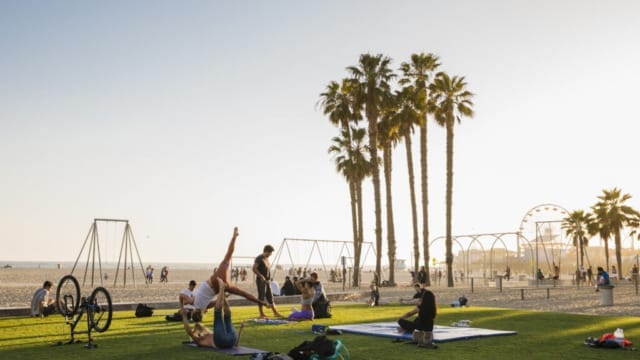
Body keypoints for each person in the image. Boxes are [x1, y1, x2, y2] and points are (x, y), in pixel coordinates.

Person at [181, 227, 266, 322]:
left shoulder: (205, 307)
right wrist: (182, 306)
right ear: (193, 312)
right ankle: (234, 237)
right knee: (228, 255)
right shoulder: (194, 303)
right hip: (213, 281)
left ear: (201, 314)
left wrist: (223, 296)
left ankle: (261, 302)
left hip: (220, 287)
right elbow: (182, 297)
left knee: (243, 293)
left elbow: (215, 302)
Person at [181, 277, 244, 349]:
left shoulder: (204, 337)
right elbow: (189, 331)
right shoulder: (198, 340)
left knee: (227, 315)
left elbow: (236, 344)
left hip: (231, 340)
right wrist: (184, 317)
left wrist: (240, 331)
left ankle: (222, 291)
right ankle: (221, 289)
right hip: (225, 341)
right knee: (220, 313)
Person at [253, 244, 283, 318]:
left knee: (270, 297)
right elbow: (254, 268)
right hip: (261, 281)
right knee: (261, 297)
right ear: (266, 251)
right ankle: (261, 314)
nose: (271, 254)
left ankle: (275, 313)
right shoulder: (259, 258)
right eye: (270, 253)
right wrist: (261, 276)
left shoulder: (267, 259)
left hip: (267, 281)